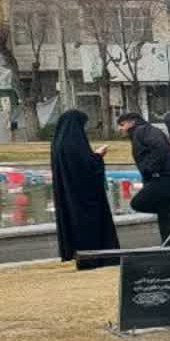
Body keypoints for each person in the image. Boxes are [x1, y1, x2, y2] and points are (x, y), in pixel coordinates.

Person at [49, 109, 119, 266]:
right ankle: (95, 258)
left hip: (68, 196)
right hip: (83, 199)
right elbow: (87, 168)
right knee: (89, 227)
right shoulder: (74, 143)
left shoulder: (58, 143)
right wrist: (98, 156)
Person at [116, 112, 170, 244]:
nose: (120, 128)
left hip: (168, 176)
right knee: (164, 213)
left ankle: (168, 244)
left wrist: (150, 170)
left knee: (137, 203)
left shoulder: (142, 130)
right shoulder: (142, 131)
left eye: (122, 124)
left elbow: (159, 147)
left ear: (132, 122)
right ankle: (169, 246)